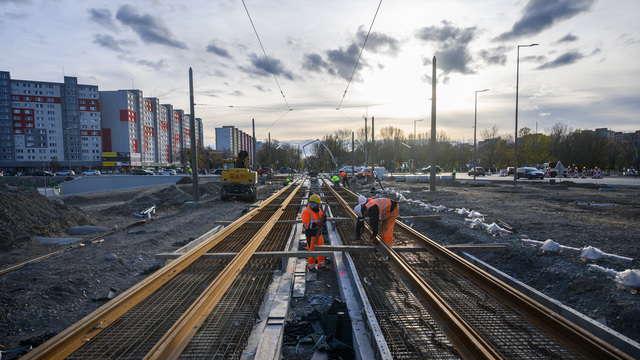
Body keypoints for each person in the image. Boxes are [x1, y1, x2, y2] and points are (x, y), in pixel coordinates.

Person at [302, 194, 326, 271]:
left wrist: (324, 220)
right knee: (312, 251)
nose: (318, 206)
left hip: (318, 234)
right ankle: (311, 266)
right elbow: (306, 225)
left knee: (321, 249)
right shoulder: (306, 211)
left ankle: (321, 264)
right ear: (313, 204)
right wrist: (316, 224)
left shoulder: (318, 210)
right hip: (311, 235)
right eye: (317, 205)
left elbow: (321, 219)